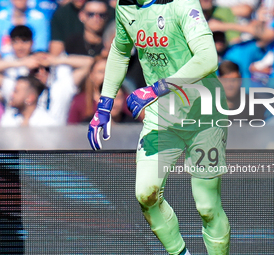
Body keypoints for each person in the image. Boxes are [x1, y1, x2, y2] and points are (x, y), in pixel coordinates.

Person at [87, 0, 230, 254]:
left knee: (207, 207)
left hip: (204, 113)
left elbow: (208, 58)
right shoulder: (126, 7)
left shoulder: (182, 4)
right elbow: (120, 53)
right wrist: (104, 106)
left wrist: (158, 88)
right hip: (161, 114)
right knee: (145, 194)